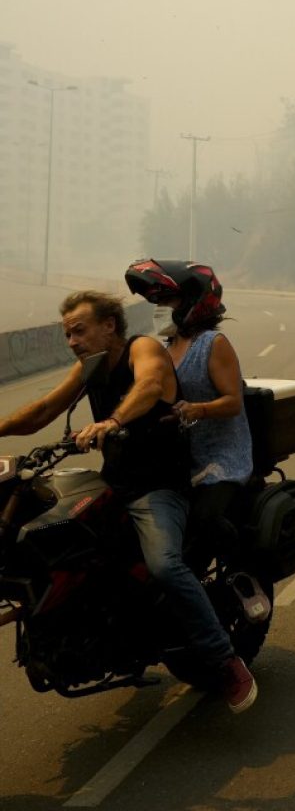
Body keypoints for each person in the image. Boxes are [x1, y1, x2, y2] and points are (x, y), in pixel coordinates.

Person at [0, 290, 257, 713]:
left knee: (164, 566)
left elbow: (151, 384)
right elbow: (44, 409)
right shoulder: (90, 367)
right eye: (67, 335)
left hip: (158, 488)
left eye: (79, 331)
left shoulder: (143, 349)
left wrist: (113, 420)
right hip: (113, 483)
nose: (73, 341)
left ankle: (225, 660)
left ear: (109, 326)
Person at [124, 259, 266, 616]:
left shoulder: (212, 343)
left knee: (202, 521)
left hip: (222, 456)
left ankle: (244, 573)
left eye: (167, 302)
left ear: (192, 303)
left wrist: (196, 410)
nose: (160, 311)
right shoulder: (164, 349)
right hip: (184, 457)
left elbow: (232, 402)